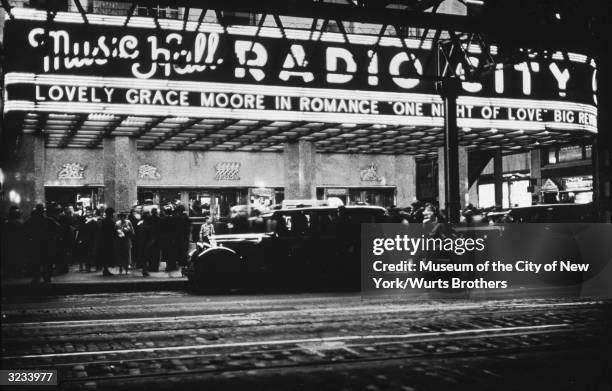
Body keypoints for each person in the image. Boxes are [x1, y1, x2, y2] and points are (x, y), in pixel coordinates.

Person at [23, 204, 61, 284]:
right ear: (43, 211)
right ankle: (46, 277)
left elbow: (24, 231)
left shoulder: (31, 221)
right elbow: (58, 228)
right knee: (47, 262)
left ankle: (36, 278)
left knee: (35, 262)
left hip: (35, 244)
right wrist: (53, 237)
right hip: (46, 244)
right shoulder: (48, 220)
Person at [1, 206, 26, 277]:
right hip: (17, 244)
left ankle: (11, 271)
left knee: (10, 257)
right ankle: (17, 271)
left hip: (9, 244)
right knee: (18, 258)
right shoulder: (19, 223)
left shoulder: (6, 224)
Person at [76, 208, 98, 272]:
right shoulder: (83, 219)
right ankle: (84, 266)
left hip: (91, 238)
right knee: (84, 253)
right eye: (87, 212)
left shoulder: (94, 221)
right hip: (84, 238)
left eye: (89, 212)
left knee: (90, 253)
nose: (88, 213)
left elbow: (96, 230)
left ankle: (88, 266)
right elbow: (80, 228)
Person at [97, 207, 117, 276]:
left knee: (105, 255)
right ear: (110, 214)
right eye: (113, 213)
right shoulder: (110, 222)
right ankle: (106, 270)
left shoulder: (103, 221)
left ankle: (105, 269)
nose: (113, 215)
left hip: (103, 241)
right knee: (108, 255)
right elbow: (113, 232)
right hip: (108, 241)